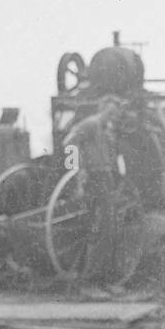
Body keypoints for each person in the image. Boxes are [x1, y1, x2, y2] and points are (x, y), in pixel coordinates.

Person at [63, 96, 125, 281]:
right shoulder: (90, 124)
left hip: (106, 178)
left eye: (116, 113)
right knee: (102, 228)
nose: (113, 116)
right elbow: (69, 143)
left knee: (110, 228)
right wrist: (76, 170)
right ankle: (90, 281)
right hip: (94, 178)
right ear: (102, 108)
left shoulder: (107, 130)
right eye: (110, 112)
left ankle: (104, 279)